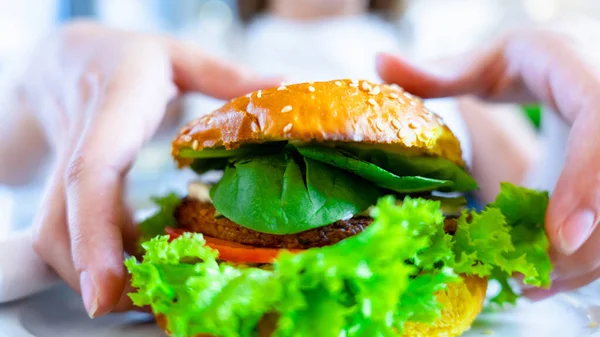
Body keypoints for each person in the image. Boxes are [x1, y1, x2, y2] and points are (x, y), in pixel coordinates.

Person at [0, 15, 598, 317]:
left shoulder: (443, 77)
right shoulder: (203, 56)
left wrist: (564, 120)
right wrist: (51, 64)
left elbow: (541, 246)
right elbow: (10, 161)